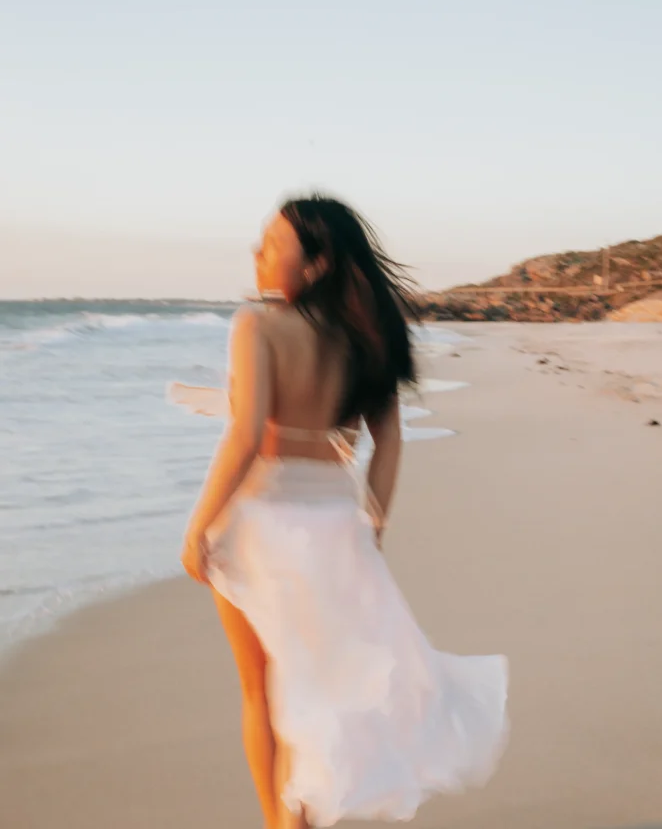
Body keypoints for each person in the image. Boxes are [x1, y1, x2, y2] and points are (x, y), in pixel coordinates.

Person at [181, 194, 508, 829]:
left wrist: (198, 526)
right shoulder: (370, 338)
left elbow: (246, 435)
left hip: (259, 520)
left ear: (317, 264)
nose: (257, 253)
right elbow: (389, 442)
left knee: (264, 689)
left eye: (272, 246)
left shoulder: (256, 324)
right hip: (332, 518)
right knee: (313, 687)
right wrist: (372, 527)